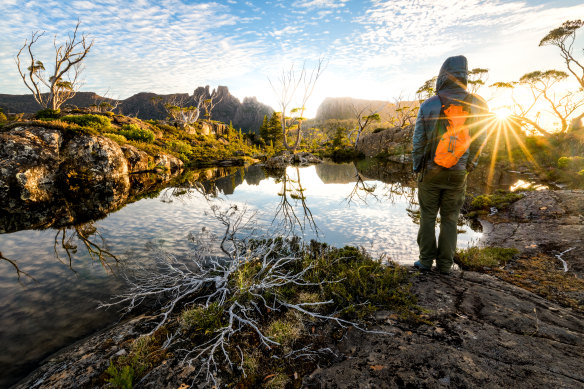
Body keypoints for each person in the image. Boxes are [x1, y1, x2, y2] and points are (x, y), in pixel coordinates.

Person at [412, 55, 489, 274]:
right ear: (465, 75)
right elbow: (482, 139)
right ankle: (445, 265)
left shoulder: (430, 104)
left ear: (443, 76)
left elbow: (419, 142)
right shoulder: (478, 103)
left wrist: (417, 167)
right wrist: (470, 165)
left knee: (427, 216)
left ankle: (425, 261)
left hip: (430, 172)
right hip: (458, 172)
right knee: (450, 218)